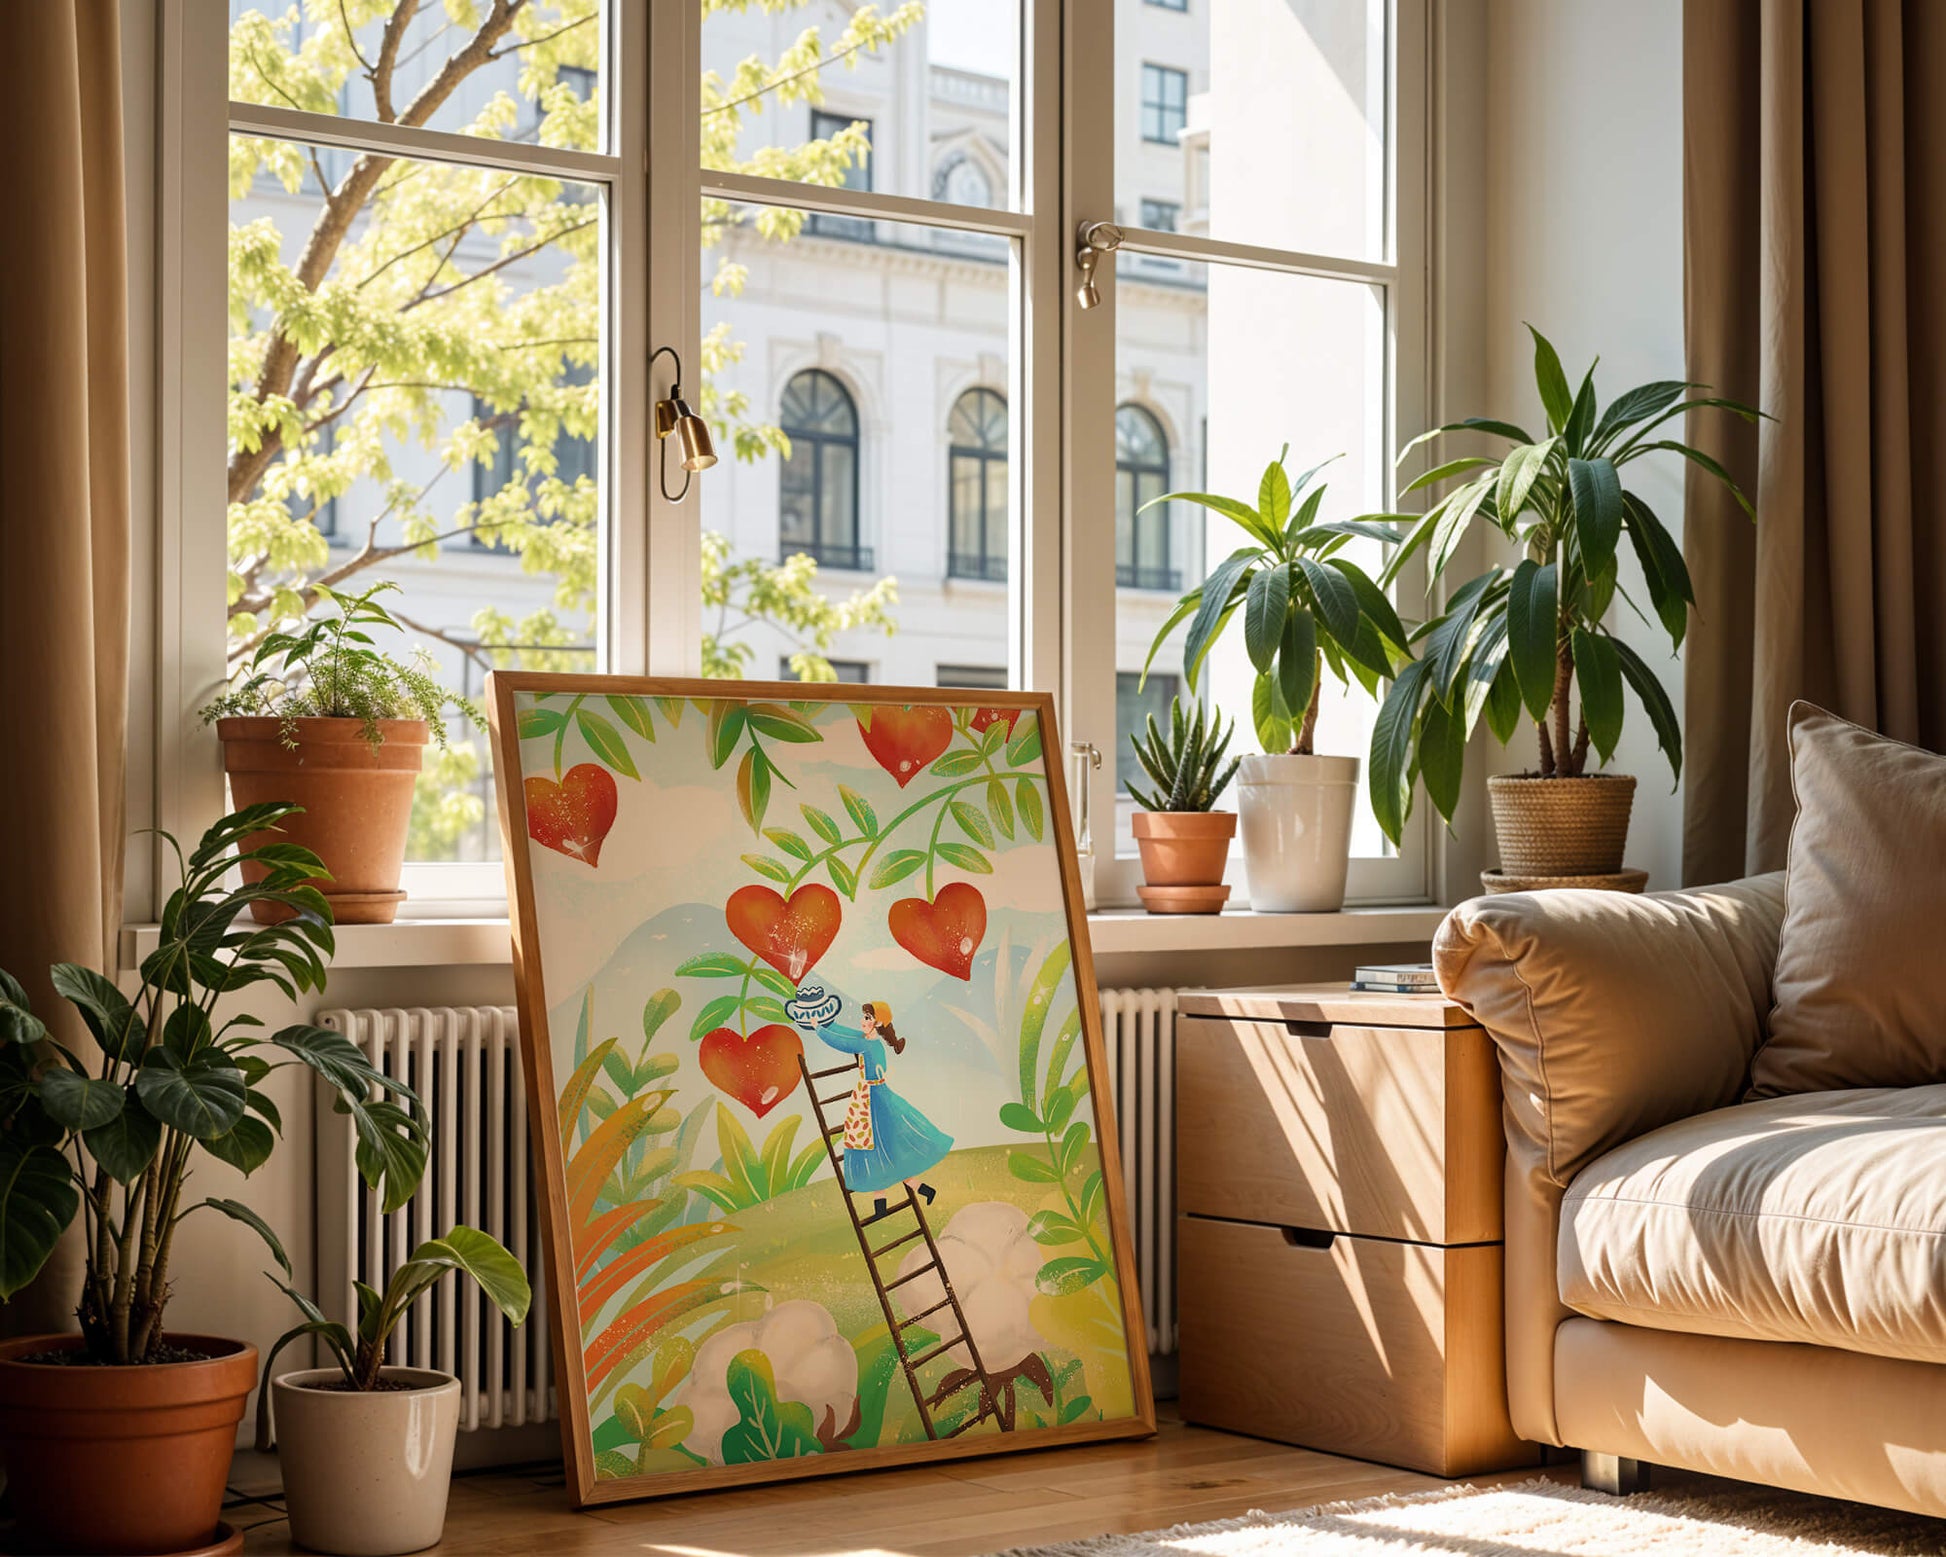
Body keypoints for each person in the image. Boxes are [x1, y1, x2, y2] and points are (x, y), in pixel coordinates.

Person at [808, 999, 952, 1225]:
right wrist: (830, 1023)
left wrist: (819, 1029)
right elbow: (849, 1034)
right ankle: (920, 1192)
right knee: (884, 1154)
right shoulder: (870, 1041)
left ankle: (891, 1203)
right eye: (863, 1017)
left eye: (867, 1018)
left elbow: (843, 1043)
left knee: (875, 1150)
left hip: (874, 1100)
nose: (863, 1021)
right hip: (875, 1095)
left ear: (877, 1023)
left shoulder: (868, 1045)